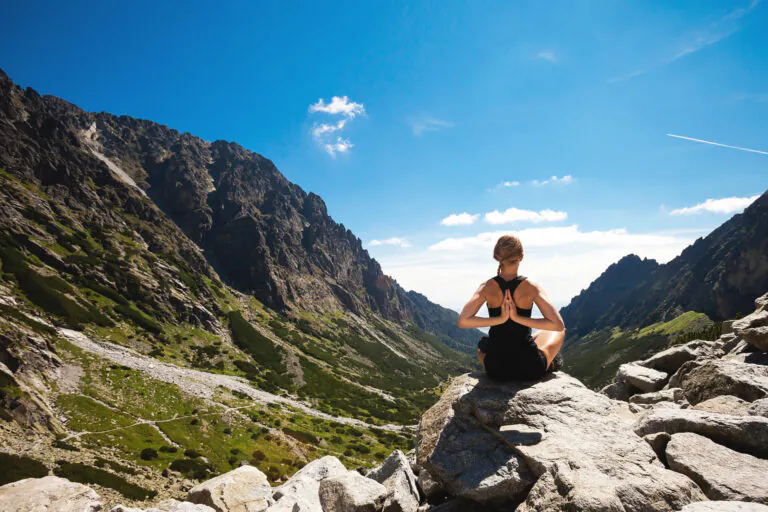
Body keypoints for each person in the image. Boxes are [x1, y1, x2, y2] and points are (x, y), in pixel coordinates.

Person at [457, 235, 566, 381]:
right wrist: (517, 318)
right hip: (529, 367)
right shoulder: (531, 287)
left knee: (482, 347)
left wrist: (500, 319)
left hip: (496, 369)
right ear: (521, 257)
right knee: (558, 332)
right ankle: (548, 362)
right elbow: (558, 326)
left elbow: (463, 321)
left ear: (497, 257)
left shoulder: (486, 287)